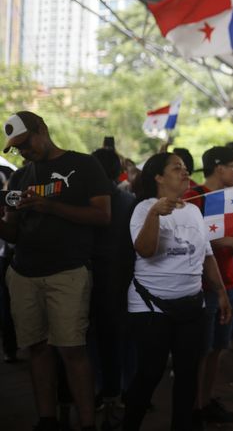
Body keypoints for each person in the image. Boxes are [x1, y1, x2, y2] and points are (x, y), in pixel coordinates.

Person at [0, 111, 111, 431]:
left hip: (67, 272)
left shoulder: (85, 165)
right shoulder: (20, 177)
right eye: (17, 148)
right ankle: (47, 419)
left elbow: (103, 215)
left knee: (72, 350)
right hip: (24, 272)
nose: (24, 151)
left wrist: (49, 206)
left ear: (42, 129)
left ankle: (87, 424)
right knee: (36, 348)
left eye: (26, 143)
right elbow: (13, 233)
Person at [123, 152, 232, 430]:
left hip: (192, 306)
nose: (185, 172)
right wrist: (154, 214)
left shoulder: (193, 211)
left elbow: (207, 255)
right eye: (177, 168)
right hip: (151, 306)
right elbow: (145, 250)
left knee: (187, 373)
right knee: (150, 372)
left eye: (185, 168)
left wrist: (221, 292)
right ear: (158, 177)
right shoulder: (143, 208)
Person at [184, 146, 233, 424]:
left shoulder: (231, 197)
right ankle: (192, 407)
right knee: (201, 350)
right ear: (219, 168)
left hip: (230, 282)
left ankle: (205, 402)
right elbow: (194, 239)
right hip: (203, 285)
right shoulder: (194, 197)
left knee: (218, 347)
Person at [89, 148, 136, 418]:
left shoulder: (83, 199)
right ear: (119, 171)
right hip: (123, 276)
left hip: (90, 273)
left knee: (91, 337)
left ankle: (100, 389)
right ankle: (125, 390)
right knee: (125, 337)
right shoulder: (129, 200)